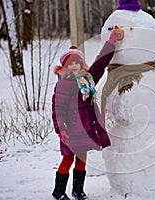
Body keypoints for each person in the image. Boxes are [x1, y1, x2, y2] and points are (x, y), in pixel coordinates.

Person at [51, 27, 124, 200]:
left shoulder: (88, 79)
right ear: (65, 67)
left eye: (76, 62)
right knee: (68, 159)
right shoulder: (63, 85)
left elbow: (101, 61)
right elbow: (57, 110)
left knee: (82, 158)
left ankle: (78, 190)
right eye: (70, 64)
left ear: (81, 64)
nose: (74, 66)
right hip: (69, 130)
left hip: (84, 129)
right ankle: (58, 192)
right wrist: (61, 129)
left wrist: (112, 41)